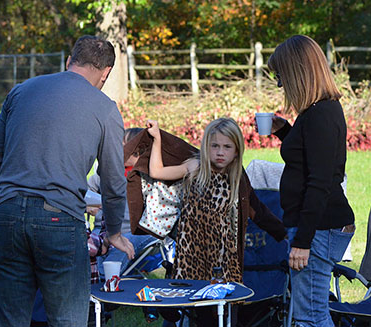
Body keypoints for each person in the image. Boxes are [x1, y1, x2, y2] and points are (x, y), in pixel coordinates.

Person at [0, 35, 134, 327]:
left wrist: (0, 202)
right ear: (105, 73)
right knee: (68, 320)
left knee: (7, 320)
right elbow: (114, 182)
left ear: (69, 62)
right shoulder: (105, 109)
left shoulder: (21, 91)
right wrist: (114, 232)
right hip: (60, 218)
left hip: (8, 215)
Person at [145, 118, 287, 326]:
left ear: (237, 151)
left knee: (224, 313)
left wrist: (285, 234)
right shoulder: (195, 167)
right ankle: (170, 312)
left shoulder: (238, 178)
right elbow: (157, 172)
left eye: (227, 147)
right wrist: (157, 139)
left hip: (224, 261)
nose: (221, 152)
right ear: (206, 147)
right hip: (193, 257)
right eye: (215, 146)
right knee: (198, 313)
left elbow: (258, 212)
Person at [266, 35, 355, 327]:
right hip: (318, 227)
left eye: (281, 76)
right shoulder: (316, 113)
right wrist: (284, 131)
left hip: (319, 228)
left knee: (310, 315)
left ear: (296, 72)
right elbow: (309, 159)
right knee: (309, 311)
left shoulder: (320, 115)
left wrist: (303, 241)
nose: (280, 84)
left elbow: (321, 182)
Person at [87, 127, 157, 278]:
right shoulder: (107, 172)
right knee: (89, 245)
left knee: (124, 244)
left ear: (139, 150)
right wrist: (89, 205)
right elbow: (86, 191)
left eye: (124, 145)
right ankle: (95, 283)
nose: (118, 149)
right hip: (102, 229)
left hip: (138, 232)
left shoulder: (149, 177)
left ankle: (106, 279)